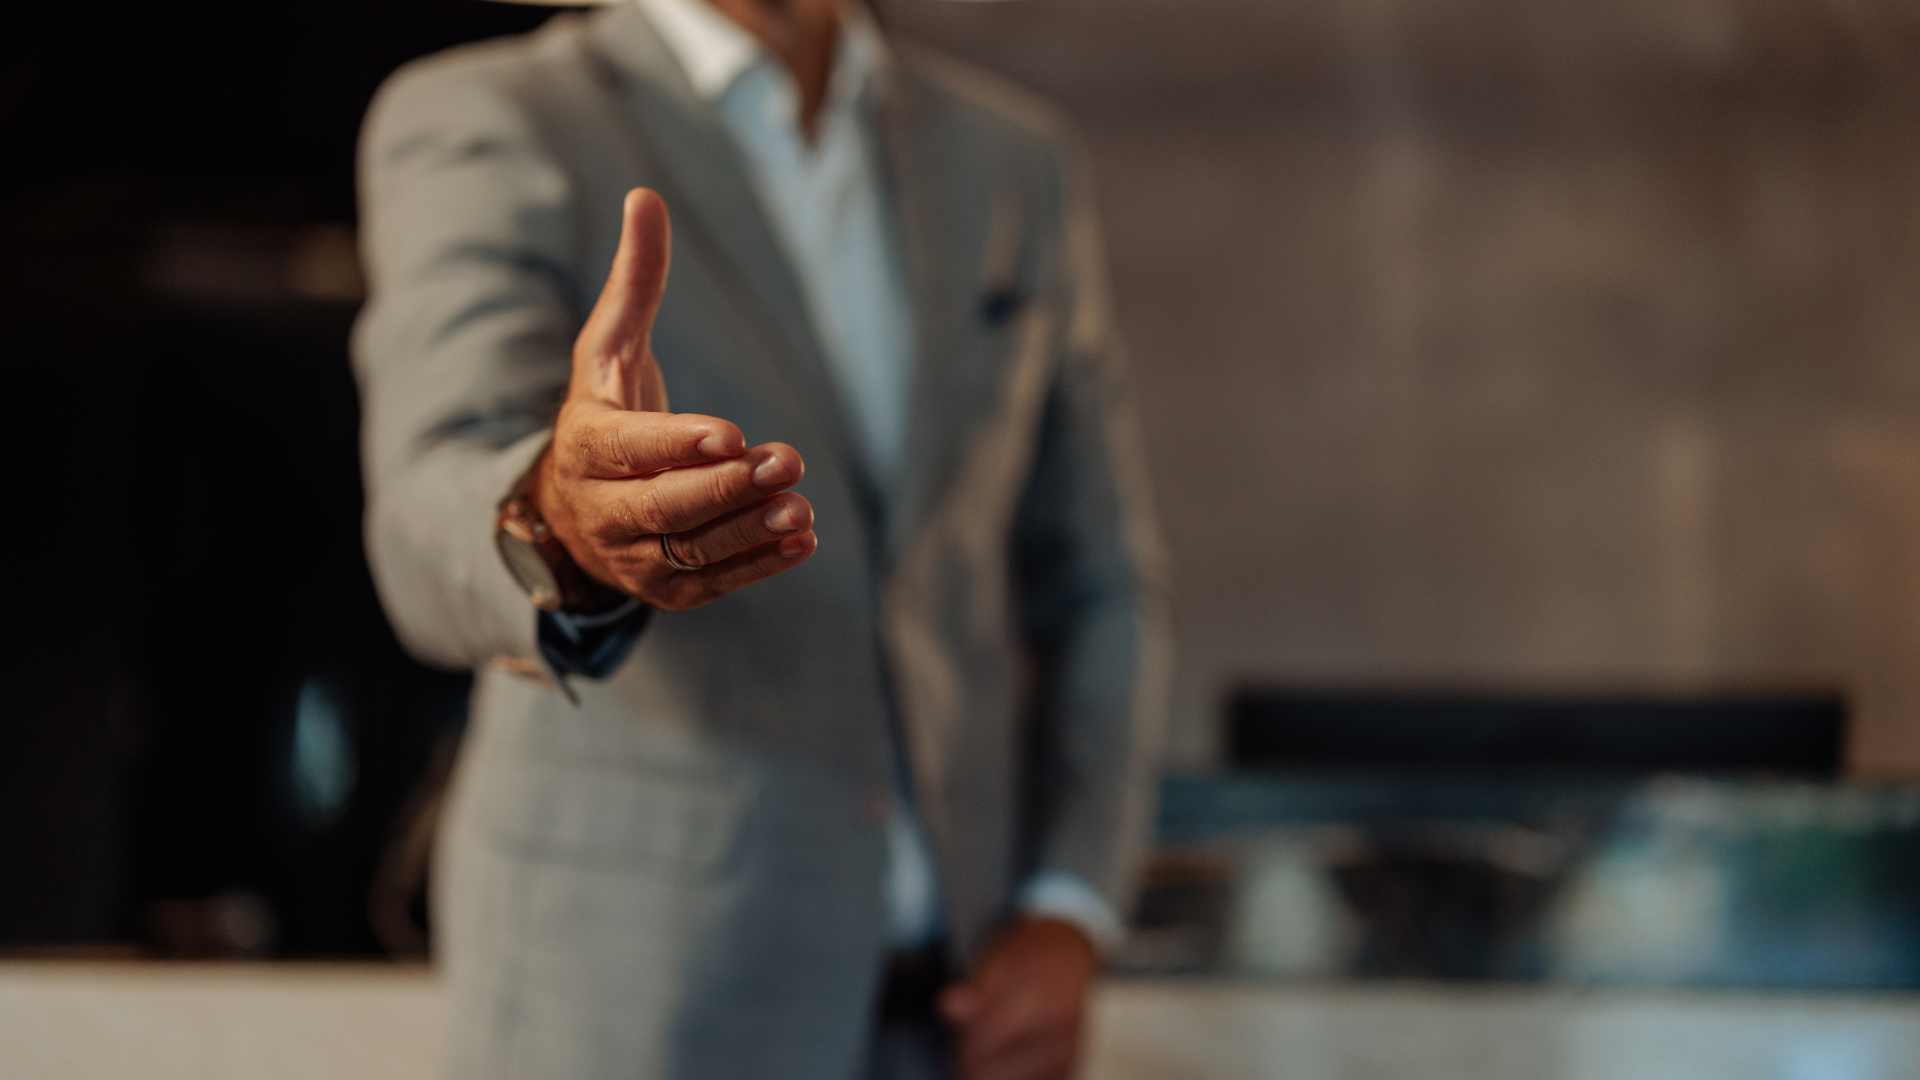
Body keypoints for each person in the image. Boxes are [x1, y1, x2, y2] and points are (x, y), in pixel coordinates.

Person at [352, 0, 1168, 1077]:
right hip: (638, 1017)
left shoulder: (1015, 160)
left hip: (963, 1021)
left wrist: (1071, 904)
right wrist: (561, 520)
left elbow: (1102, 580)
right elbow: (426, 514)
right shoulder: (495, 115)